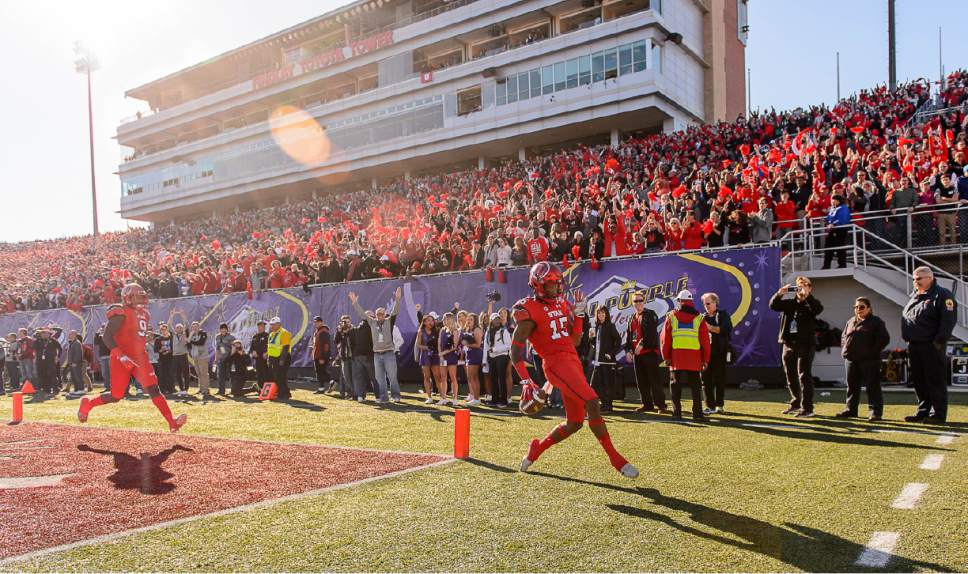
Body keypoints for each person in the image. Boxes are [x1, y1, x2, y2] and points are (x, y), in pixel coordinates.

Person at [514, 262, 638, 478]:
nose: (557, 287)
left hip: (571, 361)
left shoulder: (562, 304)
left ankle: (537, 449)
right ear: (538, 285)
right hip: (555, 363)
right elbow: (515, 352)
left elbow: (575, 339)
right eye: (551, 283)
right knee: (592, 401)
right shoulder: (528, 309)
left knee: (574, 423)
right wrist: (525, 380)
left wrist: (579, 316)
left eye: (557, 282)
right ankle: (616, 459)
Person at [78, 283, 187, 433]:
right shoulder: (120, 311)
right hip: (120, 357)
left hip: (140, 356)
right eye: (137, 296)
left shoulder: (145, 314)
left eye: (142, 296)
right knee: (117, 396)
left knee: (153, 389)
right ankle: (88, 404)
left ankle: (172, 422)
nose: (141, 299)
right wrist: (121, 355)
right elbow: (107, 336)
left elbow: (135, 334)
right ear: (127, 298)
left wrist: (145, 338)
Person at [901, 267, 957, 423]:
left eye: (918, 278)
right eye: (913, 279)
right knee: (919, 380)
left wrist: (938, 342)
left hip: (931, 346)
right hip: (914, 346)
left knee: (934, 380)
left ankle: (938, 414)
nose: (915, 281)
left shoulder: (942, 294)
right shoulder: (915, 296)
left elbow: (948, 320)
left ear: (930, 278)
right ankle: (923, 411)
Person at [769, 276, 823, 417]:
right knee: (790, 375)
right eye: (799, 285)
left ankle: (808, 408)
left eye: (805, 285)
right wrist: (780, 293)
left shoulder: (812, 303)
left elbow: (818, 309)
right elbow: (773, 306)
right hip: (789, 343)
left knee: (804, 375)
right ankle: (795, 403)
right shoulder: (789, 303)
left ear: (810, 288)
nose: (802, 287)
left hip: (806, 344)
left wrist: (807, 297)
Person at [660, 290, 710, 422]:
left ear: (680, 301)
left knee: (675, 386)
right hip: (694, 358)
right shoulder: (700, 318)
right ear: (691, 301)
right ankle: (698, 414)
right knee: (696, 386)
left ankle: (676, 413)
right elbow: (705, 341)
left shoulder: (671, 316)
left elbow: (665, 340)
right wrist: (705, 359)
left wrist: (666, 357)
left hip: (677, 358)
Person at [837, 297, 890, 421]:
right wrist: (844, 348)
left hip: (869, 361)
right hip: (851, 359)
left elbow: (884, 339)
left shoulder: (876, 322)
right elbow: (844, 336)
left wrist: (872, 352)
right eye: (856, 307)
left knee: (872, 386)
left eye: (861, 307)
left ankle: (875, 412)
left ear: (869, 309)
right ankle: (851, 410)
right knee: (851, 386)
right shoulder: (850, 321)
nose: (858, 309)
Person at [349, 287, 402, 403]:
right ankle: (383, 397)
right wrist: (355, 303)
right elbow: (362, 314)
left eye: (382, 314)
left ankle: (396, 395)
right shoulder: (372, 322)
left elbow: (395, 311)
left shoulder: (389, 321)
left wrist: (398, 299)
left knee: (392, 376)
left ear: (385, 314)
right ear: (376, 315)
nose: (380, 316)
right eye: (378, 314)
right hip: (377, 355)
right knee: (379, 378)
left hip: (388, 353)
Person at [624, 292, 668, 414]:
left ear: (644, 301)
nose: (638, 303)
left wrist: (641, 344)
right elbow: (628, 337)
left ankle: (661, 405)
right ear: (632, 303)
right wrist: (628, 351)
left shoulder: (650, 314)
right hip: (637, 356)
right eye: (635, 301)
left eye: (640, 300)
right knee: (641, 381)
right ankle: (647, 404)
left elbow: (651, 332)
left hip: (649, 353)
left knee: (654, 380)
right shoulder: (631, 318)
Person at [700, 292, 733, 415]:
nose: (706, 306)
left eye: (708, 303)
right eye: (704, 304)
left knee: (720, 379)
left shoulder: (723, 314)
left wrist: (710, 328)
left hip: (720, 352)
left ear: (715, 303)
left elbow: (726, 328)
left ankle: (719, 405)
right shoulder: (702, 317)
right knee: (705, 380)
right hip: (705, 354)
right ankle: (709, 406)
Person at [588, 306, 621, 412]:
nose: (600, 315)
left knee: (608, 384)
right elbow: (595, 344)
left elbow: (618, 341)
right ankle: (603, 403)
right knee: (595, 384)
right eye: (598, 313)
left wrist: (611, 354)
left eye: (602, 313)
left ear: (606, 314)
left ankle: (608, 405)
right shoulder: (597, 327)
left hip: (607, 362)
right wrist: (591, 339)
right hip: (597, 361)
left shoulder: (610, 326)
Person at [483, 312, 512, 407]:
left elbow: (509, 346)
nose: (497, 321)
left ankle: (503, 401)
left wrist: (495, 349)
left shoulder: (504, 331)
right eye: (495, 319)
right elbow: (485, 347)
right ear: (491, 321)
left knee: (502, 378)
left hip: (502, 356)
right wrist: (484, 361)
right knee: (493, 379)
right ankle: (494, 400)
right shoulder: (488, 332)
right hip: (491, 357)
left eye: (498, 319)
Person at [414, 309, 441, 404]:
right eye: (429, 320)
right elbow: (418, 344)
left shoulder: (437, 331)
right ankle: (429, 397)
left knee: (437, 376)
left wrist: (435, 348)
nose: (431, 322)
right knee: (427, 377)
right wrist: (427, 347)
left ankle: (442, 397)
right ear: (424, 322)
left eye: (432, 320)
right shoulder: (420, 331)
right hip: (425, 356)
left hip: (435, 355)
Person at [350, 315, 376, 402]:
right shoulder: (372, 328)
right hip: (368, 355)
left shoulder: (355, 329)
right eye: (372, 316)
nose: (374, 318)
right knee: (374, 377)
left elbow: (352, 343)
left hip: (357, 355)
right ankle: (379, 397)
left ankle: (360, 396)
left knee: (359, 377)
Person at [266, 316, 293, 400]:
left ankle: (284, 393)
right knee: (275, 376)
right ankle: (281, 392)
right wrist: (268, 358)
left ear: (279, 324)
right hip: (273, 358)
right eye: (271, 325)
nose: (271, 326)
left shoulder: (284, 333)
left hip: (282, 357)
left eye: (273, 324)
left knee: (281, 376)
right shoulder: (271, 334)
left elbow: (285, 347)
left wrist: (282, 360)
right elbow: (270, 347)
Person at [460, 313, 483, 406]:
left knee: (471, 377)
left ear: (475, 321)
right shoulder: (467, 329)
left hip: (475, 355)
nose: (468, 321)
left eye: (471, 319)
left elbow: (478, 345)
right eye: (468, 319)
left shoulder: (477, 329)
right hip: (469, 355)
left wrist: (466, 344)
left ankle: (476, 399)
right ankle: (475, 398)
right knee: (473, 377)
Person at [822, 195, 851, 269]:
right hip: (832, 230)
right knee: (828, 248)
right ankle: (826, 265)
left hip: (840, 230)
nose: (832, 202)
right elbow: (829, 217)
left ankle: (842, 265)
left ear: (839, 201)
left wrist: (834, 224)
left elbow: (843, 218)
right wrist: (827, 222)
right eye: (832, 200)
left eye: (834, 200)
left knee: (840, 248)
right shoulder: (832, 208)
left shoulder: (843, 208)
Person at [438, 312, 460, 406]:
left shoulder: (455, 331)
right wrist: (441, 355)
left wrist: (443, 353)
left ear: (450, 319)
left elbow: (454, 346)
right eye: (444, 318)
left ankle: (455, 399)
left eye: (446, 318)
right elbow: (439, 343)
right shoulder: (442, 330)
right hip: (443, 357)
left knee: (453, 377)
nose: (444, 320)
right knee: (443, 378)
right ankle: (443, 398)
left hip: (451, 357)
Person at [32, 328, 61, 399]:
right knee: (42, 375)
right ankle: (46, 389)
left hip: (50, 360)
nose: (44, 335)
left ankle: (55, 389)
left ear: (49, 334)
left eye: (46, 333)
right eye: (43, 333)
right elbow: (33, 348)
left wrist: (57, 356)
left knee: (52, 375)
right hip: (40, 361)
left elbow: (60, 348)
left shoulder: (53, 340)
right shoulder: (37, 341)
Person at [333, 315, 356, 399]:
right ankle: (350, 393)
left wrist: (348, 331)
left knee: (353, 376)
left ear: (350, 321)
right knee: (346, 376)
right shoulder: (340, 330)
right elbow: (335, 341)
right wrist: (339, 331)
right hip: (344, 356)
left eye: (346, 321)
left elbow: (354, 341)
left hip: (353, 356)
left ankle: (354, 393)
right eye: (343, 321)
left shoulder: (354, 329)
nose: (345, 323)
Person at [310, 316, 333, 394]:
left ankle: (331, 382)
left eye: (317, 322)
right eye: (315, 322)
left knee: (321, 372)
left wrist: (323, 357)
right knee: (320, 372)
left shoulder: (323, 331)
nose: (316, 323)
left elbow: (326, 345)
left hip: (321, 355)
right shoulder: (318, 331)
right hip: (317, 354)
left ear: (321, 322)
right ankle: (322, 388)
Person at [187, 321, 210, 399]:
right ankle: (201, 389)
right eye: (193, 327)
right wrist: (190, 337)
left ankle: (206, 389)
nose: (194, 328)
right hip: (195, 357)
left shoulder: (203, 333)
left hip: (203, 356)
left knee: (204, 373)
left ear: (199, 326)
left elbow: (201, 342)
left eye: (196, 326)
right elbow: (188, 345)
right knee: (199, 373)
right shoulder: (192, 335)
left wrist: (190, 340)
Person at [214, 323, 236, 396]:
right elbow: (217, 348)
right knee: (220, 375)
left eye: (224, 328)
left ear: (227, 329)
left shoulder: (231, 337)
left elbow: (234, 347)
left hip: (230, 358)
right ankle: (221, 390)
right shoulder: (217, 337)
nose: (223, 330)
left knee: (231, 374)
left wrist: (231, 356)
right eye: (221, 328)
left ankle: (233, 390)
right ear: (220, 329)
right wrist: (216, 358)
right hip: (221, 359)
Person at [153, 324, 174, 395]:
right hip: (161, 359)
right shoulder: (158, 339)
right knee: (162, 375)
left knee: (170, 374)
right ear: (160, 330)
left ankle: (171, 389)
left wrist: (169, 351)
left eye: (165, 329)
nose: (164, 331)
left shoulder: (172, 338)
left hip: (170, 359)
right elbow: (155, 350)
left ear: (167, 330)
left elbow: (174, 348)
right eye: (162, 329)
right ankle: (162, 389)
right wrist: (161, 350)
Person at [249, 320, 270, 386]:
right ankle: (260, 389)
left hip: (266, 359)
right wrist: (253, 351)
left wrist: (267, 353)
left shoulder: (268, 335)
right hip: (257, 359)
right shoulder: (255, 337)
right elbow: (251, 347)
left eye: (263, 326)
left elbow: (271, 346)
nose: (261, 327)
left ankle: (266, 390)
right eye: (260, 326)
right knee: (259, 374)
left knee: (266, 374)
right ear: (258, 327)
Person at [171, 323, 190, 396]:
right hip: (175, 356)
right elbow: (169, 325)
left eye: (180, 328)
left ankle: (186, 389)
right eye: (177, 328)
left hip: (183, 355)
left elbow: (186, 324)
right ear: (175, 329)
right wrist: (171, 315)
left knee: (186, 373)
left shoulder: (185, 335)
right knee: (178, 373)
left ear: (182, 329)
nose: (179, 329)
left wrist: (183, 315)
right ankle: (181, 389)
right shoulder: (173, 335)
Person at [66, 330, 86, 396]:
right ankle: (77, 389)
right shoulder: (72, 343)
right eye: (69, 334)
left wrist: (75, 362)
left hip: (76, 364)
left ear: (75, 335)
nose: (69, 335)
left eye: (71, 334)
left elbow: (78, 354)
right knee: (74, 377)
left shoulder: (77, 343)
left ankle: (81, 389)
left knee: (78, 376)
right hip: (72, 364)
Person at [94, 325, 111, 391]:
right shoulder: (100, 336)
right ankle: (107, 387)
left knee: (111, 373)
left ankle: (114, 387)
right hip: (103, 357)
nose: (103, 329)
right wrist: (97, 333)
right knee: (104, 373)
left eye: (104, 328)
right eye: (102, 328)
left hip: (110, 356)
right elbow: (96, 343)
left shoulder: (110, 335)